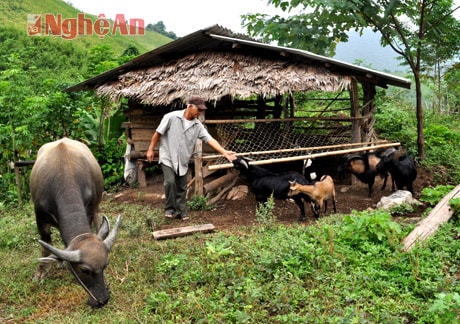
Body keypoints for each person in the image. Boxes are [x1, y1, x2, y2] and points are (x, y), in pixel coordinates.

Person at [146, 96, 237, 220]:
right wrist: (151, 149)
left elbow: (209, 139)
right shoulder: (171, 117)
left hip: (183, 158)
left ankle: (181, 211)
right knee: (170, 182)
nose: (199, 112)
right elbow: (158, 133)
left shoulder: (197, 125)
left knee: (182, 186)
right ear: (190, 106)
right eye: (198, 110)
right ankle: (169, 208)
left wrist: (224, 152)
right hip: (168, 155)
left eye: (201, 110)